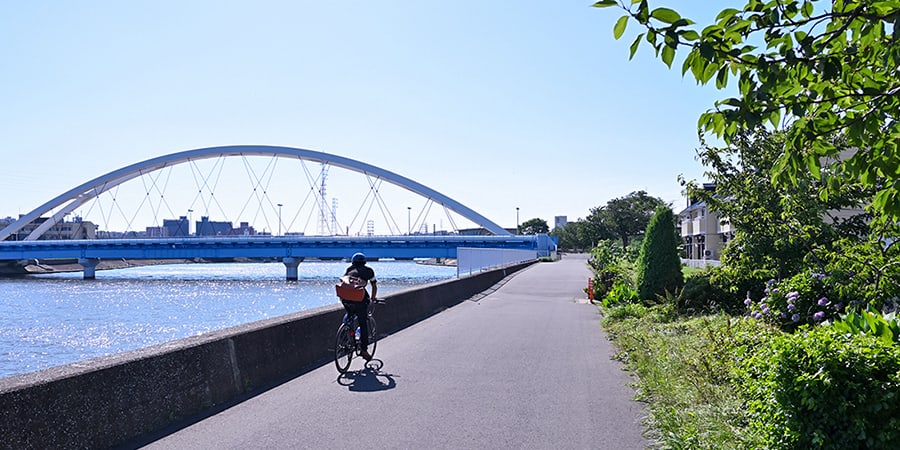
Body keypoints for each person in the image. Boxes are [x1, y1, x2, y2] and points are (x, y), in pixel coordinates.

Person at [342, 252, 377, 360]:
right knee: (363, 323)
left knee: (349, 315)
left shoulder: (349, 270)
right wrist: (373, 298)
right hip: (360, 300)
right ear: (364, 262)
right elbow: (374, 286)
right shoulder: (369, 271)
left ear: (353, 262)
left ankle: (345, 336)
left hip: (346, 299)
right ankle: (364, 350)